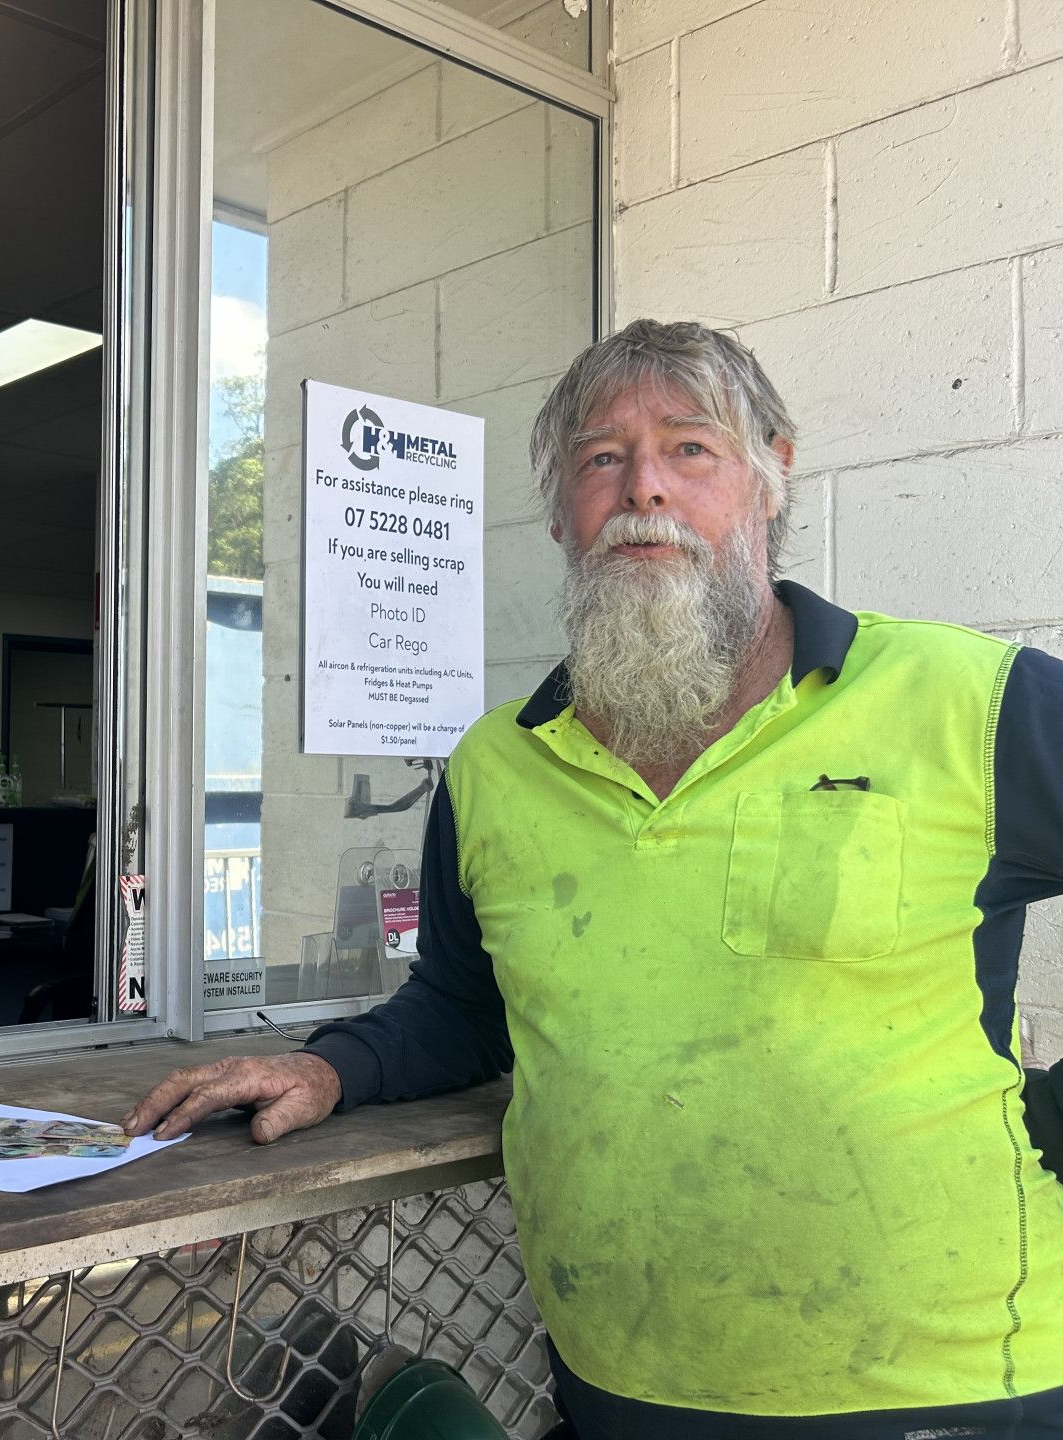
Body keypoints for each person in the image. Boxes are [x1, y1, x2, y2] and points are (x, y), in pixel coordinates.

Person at [126, 320, 1063, 1435]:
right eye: (600, 458)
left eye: (690, 449)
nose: (643, 491)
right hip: (618, 1383)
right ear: (562, 508)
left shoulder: (965, 700)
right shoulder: (494, 767)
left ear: (771, 477)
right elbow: (469, 1007)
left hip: (950, 1388)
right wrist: (331, 1070)